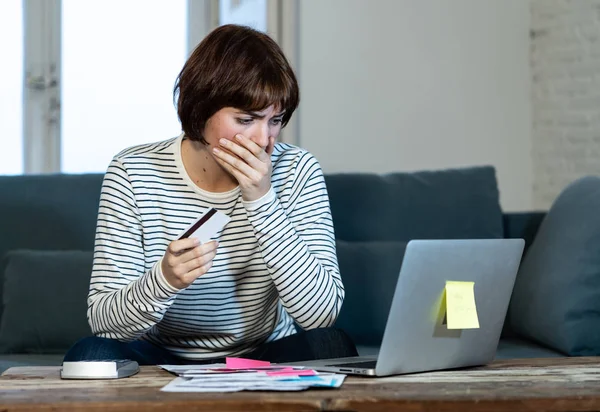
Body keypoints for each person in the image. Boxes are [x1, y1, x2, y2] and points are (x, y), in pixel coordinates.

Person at [64, 24, 358, 365]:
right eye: (246, 119)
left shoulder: (297, 169)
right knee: (91, 356)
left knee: (330, 345)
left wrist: (262, 200)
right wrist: (165, 280)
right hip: (158, 354)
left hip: (262, 353)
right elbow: (105, 322)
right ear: (201, 111)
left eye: (275, 120)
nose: (264, 140)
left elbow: (320, 317)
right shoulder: (132, 171)